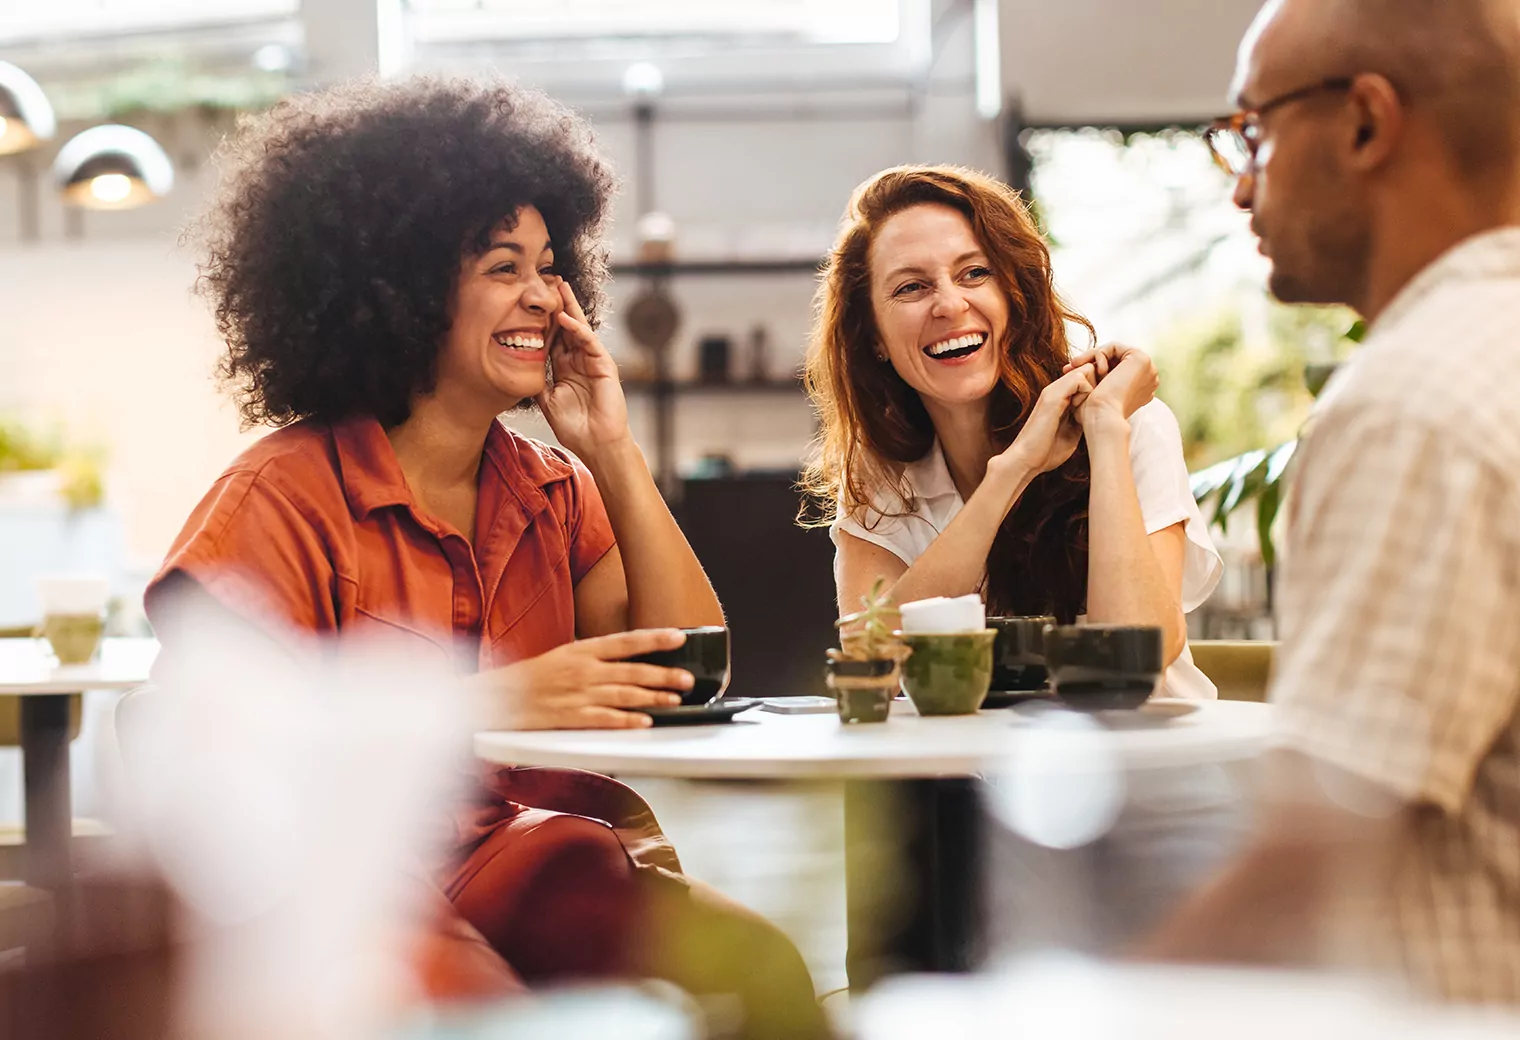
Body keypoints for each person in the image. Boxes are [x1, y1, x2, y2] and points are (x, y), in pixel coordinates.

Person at [144, 77, 825, 1037]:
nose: (545, 297)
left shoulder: (555, 489)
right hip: (358, 892)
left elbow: (686, 674)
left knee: (764, 971)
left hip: (537, 864)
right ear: (404, 286)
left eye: (552, 267)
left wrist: (615, 454)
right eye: (505, 266)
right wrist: (480, 707)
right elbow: (201, 765)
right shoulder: (278, 497)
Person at [1141, 0, 1520, 1003]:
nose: (1238, 190)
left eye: (1250, 132)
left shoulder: (1415, 404)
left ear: (1363, 122)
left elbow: (1309, 869)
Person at [800, 164, 1221, 699]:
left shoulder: (1127, 419)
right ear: (875, 337)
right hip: (976, 774)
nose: (951, 305)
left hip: (1146, 768)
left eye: (975, 273)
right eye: (911, 287)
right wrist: (1014, 469)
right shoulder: (880, 468)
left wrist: (1106, 433)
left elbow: (1140, 649)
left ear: (1014, 293)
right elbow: (872, 659)